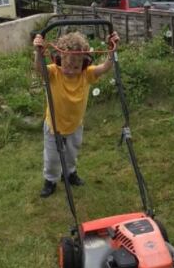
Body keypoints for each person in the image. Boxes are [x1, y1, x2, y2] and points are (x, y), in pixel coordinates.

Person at [33, 29, 119, 198]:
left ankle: (70, 174)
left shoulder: (86, 74)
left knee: (71, 153)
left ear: (84, 64)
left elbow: (106, 67)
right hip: (54, 125)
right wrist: (38, 52)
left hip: (75, 125)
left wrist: (112, 49)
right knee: (52, 157)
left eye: (76, 66)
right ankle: (50, 180)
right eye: (67, 65)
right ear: (59, 60)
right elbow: (39, 68)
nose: (71, 70)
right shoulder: (53, 72)